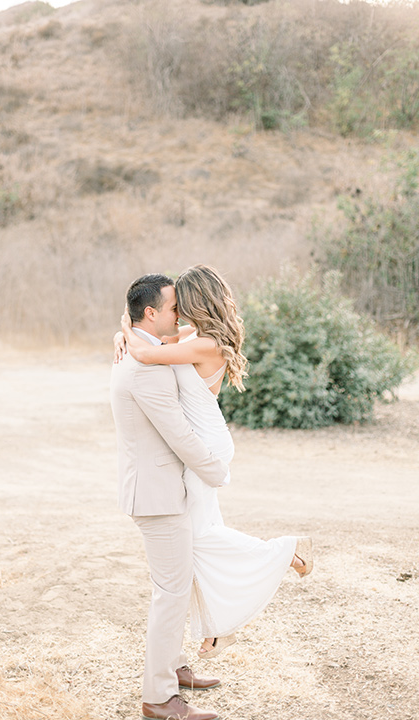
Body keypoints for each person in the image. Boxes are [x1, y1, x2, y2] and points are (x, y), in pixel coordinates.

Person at [115, 264, 313, 662]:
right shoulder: (195, 336)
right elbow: (151, 341)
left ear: (197, 302)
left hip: (206, 445)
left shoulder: (205, 345)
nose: (178, 312)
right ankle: (216, 631)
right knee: (201, 533)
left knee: (198, 538)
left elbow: (144, 351)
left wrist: (124, 327)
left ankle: (289, 550)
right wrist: (126, 331)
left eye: (182, 303)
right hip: (203, 441)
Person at [110, 273, 230, 720]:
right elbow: (178, 432)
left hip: (159, 489)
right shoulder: (145, 366)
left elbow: (136, 329)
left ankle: (175, 667)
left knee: (176, 587)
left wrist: (122, 330)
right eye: (173, 306)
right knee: (172, 593)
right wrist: (215, 470)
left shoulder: (143, 348)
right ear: (151, 313)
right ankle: (158, 697)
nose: (180, 314)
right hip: (157, 495)